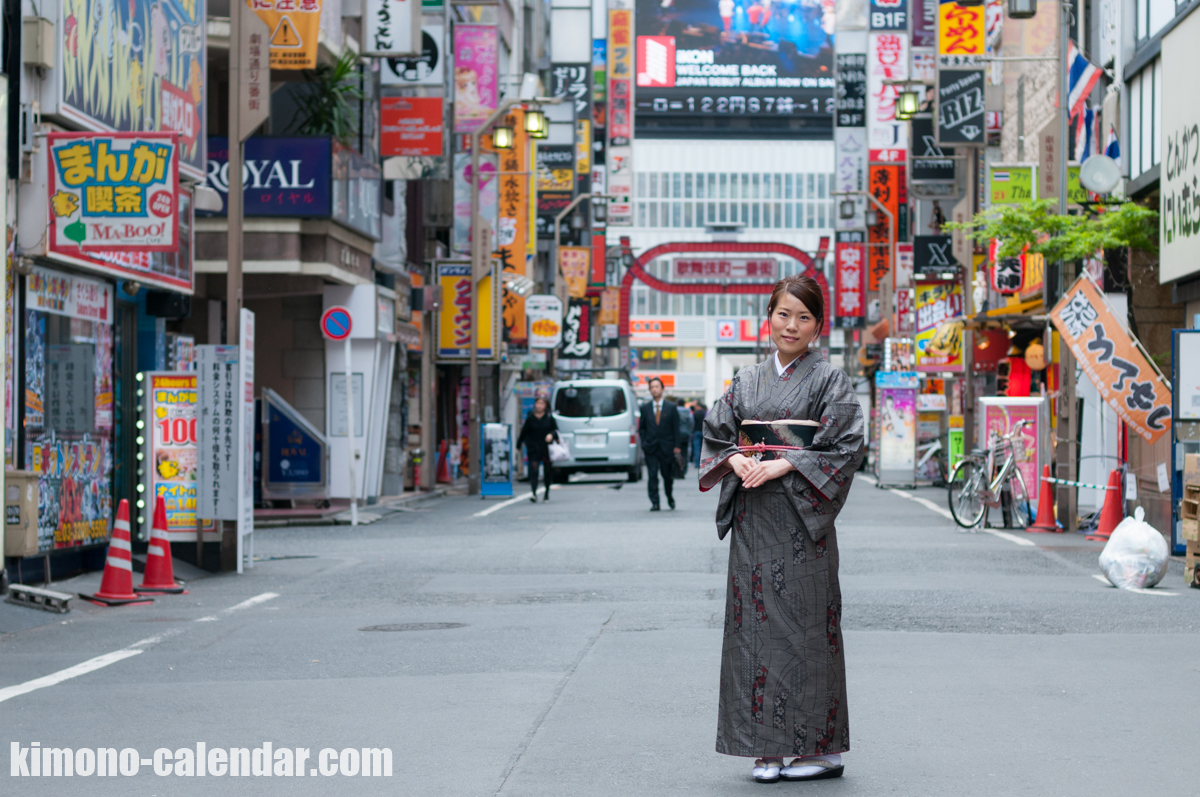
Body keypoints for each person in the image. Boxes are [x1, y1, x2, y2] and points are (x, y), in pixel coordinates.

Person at [699, 275, 865, 784]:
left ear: (818, 326)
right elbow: (716, 434)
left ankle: (823, 751)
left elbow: (846, 445)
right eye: (783, 314)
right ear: (768, 317)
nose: (791, 326)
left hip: (801, 526)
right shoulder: (745, 381)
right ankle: (764, 750)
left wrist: (785, 463)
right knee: (753, 632)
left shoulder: (830, 381)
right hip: (754, 520)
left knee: (810, 632)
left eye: (804, 317)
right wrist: (738, 460)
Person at [638, 377, 686, 510]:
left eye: (657, 386)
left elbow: (676, 428)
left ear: (662, 389)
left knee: (667, 476)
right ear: (649, 390)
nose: (654, 389)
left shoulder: (671, 407)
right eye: (652, 387)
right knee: (652, 475)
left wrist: (677, 446)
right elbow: (642, 427)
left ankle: (669, 496)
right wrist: (644, 442)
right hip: (651, 447)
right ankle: (655, 502)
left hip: (667, 447)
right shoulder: (645, 408)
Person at [516, 397, 559, 503]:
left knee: (547, 471)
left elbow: (555, 431)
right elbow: (524, 432)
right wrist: (519, 445)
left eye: (542, 404)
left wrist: (551, 435)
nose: (539, 406)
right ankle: (534, 493)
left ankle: (546, 494)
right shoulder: (530, 417)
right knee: (534, 470)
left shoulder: (549, 417)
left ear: (546, 406)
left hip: (546, 448)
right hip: (533, 447)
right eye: (538, 403)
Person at [691, 402, 707, 469]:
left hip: (696, 431)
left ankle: (697, 463)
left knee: (696, 448)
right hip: (704, 432)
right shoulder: (705, 413)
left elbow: (692, 423)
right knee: (703, 449)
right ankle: (703, 463)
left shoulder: (695, 413)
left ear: (698, 406)